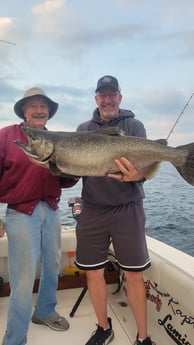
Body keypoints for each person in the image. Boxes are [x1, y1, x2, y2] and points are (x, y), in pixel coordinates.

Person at [75, 76, 155, 345]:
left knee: (133, 273)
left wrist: (138, 176)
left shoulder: (135, 125)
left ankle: (143, 337)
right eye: (102, 95)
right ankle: (103, 327)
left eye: (112, 94)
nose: (107, 100)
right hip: (93, 208)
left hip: (128, 208)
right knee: (93, 271)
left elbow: (143, 169)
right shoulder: (83, 129)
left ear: (120, 97)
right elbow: (74, 170)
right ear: (96, 98)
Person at [0, 87, 77, 345]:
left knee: (53, 265)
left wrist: (77, 168)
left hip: (52, 210)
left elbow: (65, 180)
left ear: (49, 112)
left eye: (43, 106)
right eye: (32, 105)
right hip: (20, 212)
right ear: (23, 110)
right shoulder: (7, 136)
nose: (39, 110)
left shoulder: (57, 138)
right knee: (22, 280)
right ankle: (14, 339)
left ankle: (44, 311)